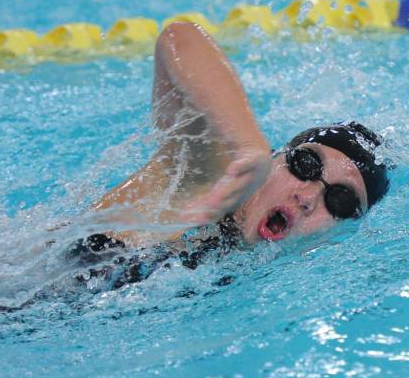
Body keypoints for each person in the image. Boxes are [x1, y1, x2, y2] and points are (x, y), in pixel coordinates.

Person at [62, 21, 391, 291]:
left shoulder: (251, 280)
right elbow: (180, 38)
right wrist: (249, 147)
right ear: (277, 159)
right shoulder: (200, 181)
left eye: (341, 202)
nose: (307, 197)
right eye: (305, 165)